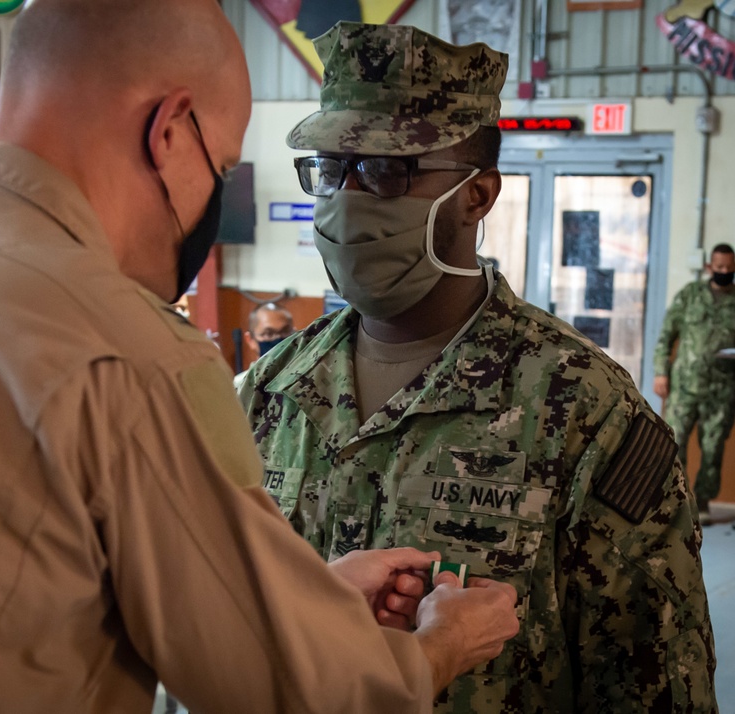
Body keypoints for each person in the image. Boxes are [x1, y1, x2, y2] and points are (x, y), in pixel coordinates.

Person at [0, 3, 520, 712]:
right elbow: (302, 694)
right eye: (220, 168)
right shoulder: (117, 349)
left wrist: (304, 598)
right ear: (171, 130)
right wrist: (440, 646)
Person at [237, 21, 717, 712]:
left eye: (387, 168)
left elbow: (652, 686)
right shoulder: (269, 391)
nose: (347, 198)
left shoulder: (583, 410)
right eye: (332, 169)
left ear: (478, 194)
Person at [654, 242, 735, 522]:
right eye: (719, 267)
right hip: (685, 386)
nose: (724, 272)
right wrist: (660, 371)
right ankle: (677, 502)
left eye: (729, 267)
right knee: (674, 443)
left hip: (722, 389)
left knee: (713, 448)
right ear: (709, 267)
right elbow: (666, 334)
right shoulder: (689, 295)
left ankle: (702, 502)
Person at [234, 301, 295, 386]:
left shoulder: (306, 381)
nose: (278, 339)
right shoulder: (239, 386)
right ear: (250, 339)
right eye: (268, 334)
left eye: (285, 331)